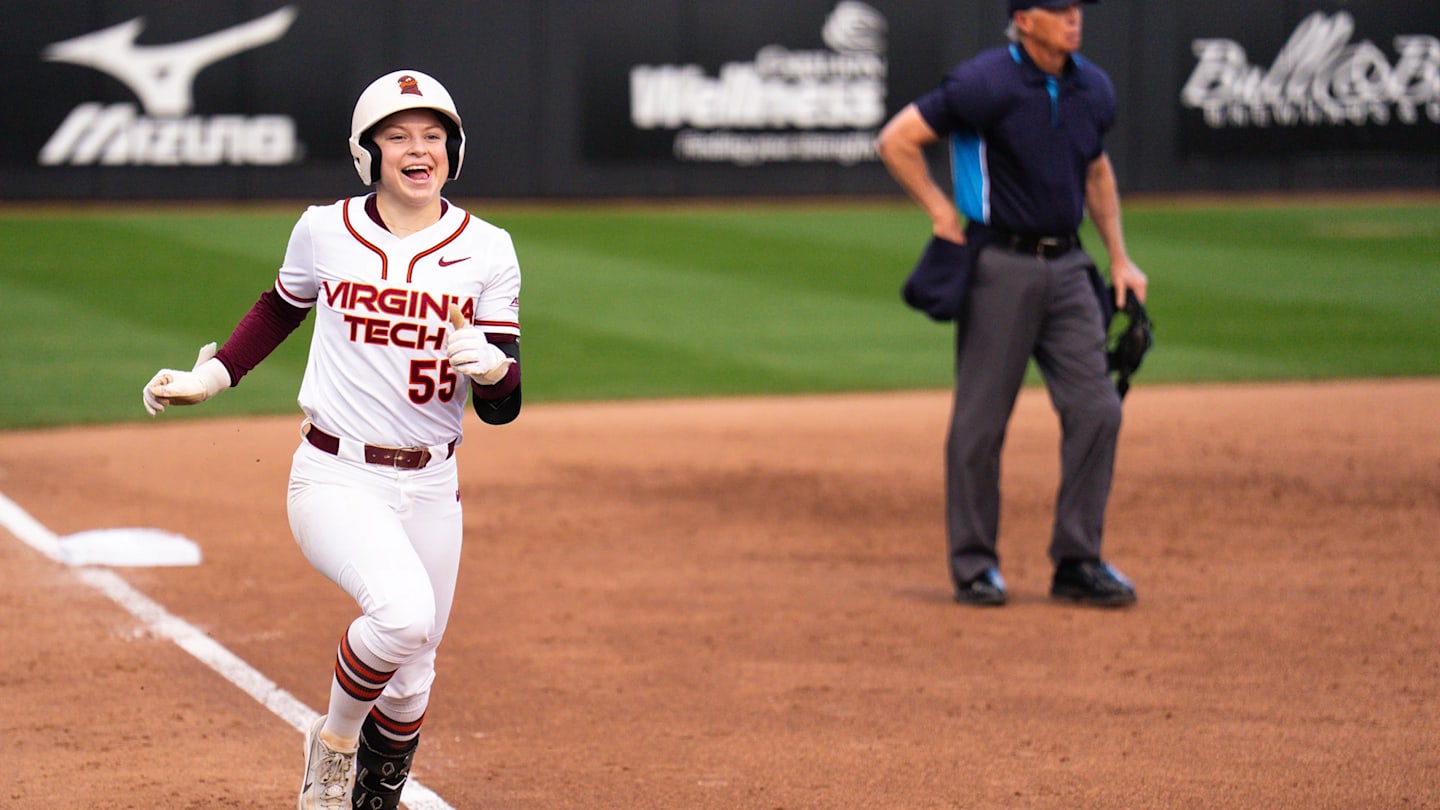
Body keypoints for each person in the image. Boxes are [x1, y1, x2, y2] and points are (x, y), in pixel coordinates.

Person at [141, 69, 522, 808]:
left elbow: (503, 408)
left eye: (433, 137)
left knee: (413, 681)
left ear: (455, 151)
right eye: (399, 137)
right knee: (403, 616)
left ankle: (371, 798)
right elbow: (281, 307)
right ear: (368, 153)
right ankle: (336, 745)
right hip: (335, 477)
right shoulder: (325, 228)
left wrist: (495, 369)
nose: (419, 150)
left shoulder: (488, 249)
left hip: (433, 486)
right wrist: (214, 376)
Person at [875, 0, 1145, 608]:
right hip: (999, 266)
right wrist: (942, 212)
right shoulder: (984, 82)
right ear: (1024, 19)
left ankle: (1077, 560)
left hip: (1072, 267)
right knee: (980, 424)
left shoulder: (1093, 87)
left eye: (1077, 7)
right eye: (1058, 8)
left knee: (1099, 408)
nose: (1073, 17)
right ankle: (975, 566)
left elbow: (1096, 174)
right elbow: (897, 140)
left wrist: (1120, 259)